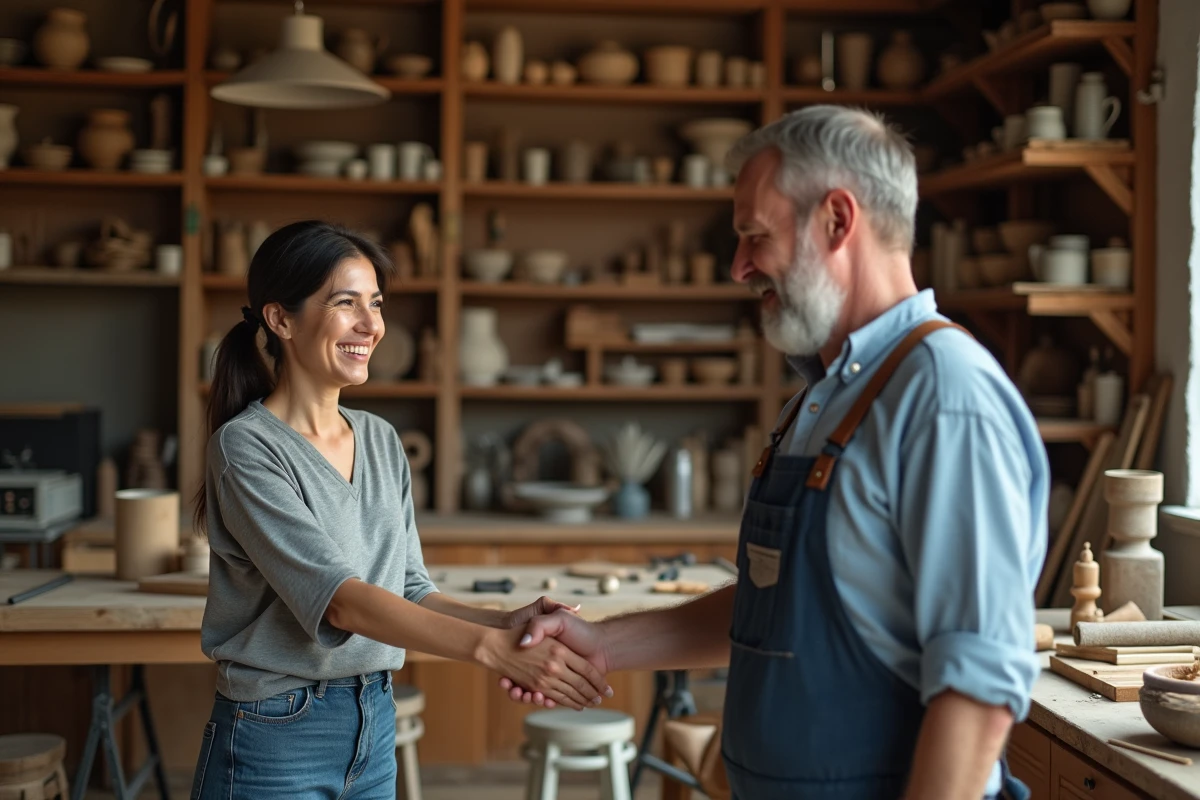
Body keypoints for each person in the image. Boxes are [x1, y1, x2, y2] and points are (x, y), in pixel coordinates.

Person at [498, 106, 1049, 800]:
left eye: (754, 237)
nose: (739, 268)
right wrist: (603, 644)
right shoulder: (822, 399)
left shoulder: (943, 396)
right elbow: (773, 608)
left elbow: (979, 691)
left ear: (837, 221)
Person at [190, 220, 609, 800]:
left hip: (374, 718)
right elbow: (339, 600)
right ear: (280, 319)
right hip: (276, 733)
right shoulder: (246, 448)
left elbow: (407, 588)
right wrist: (492, 653)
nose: (371, 326)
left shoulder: (382, 440)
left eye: (376, 304)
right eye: (345, 303)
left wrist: (503, 622)